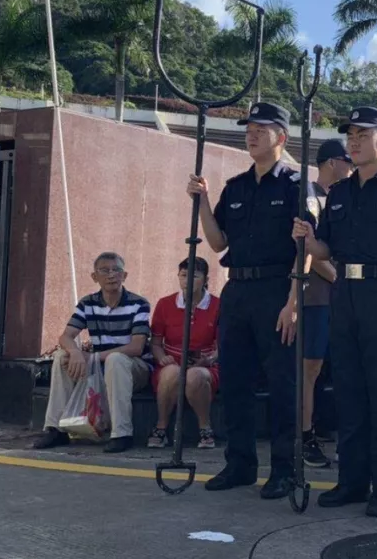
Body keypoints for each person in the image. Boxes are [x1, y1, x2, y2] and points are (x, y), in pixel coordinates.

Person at [293, 106, 377, 518]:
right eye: (350, 136)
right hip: (344, 294)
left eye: (362, 135)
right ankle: (351, 481)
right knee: (349, 391)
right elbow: (325, 250)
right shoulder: (340, 192)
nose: (353, 142)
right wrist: (307, 238)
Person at [185, 101, 312, 501]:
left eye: (261, 129)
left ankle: (285, 469)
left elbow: (305, 245)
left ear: (281, 137)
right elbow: (218, 242)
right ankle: (239, 464)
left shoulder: (296, 184)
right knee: (236, 380)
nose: (252, 135)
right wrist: (202, 202)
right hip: (237, 290)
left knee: (281, 383)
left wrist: (293, 301)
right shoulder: (236, 186)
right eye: (249, 129)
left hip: (277, 289)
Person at [34, 252, 152, 454]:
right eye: (104, 270)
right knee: (62, 357)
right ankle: (55, 429)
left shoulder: (138, 304)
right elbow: (66, 336)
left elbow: (136, 347)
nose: (111, 275)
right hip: (99, 366)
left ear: (124, 276)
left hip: (134, 368)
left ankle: (122, 434)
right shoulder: (87, 303)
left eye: (116, 270)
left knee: (116, 360)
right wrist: (75, 352)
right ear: (94, 277)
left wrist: (93, 357)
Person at [300, 139, 353, 467]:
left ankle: (319, 427)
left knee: (331, 369)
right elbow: (310, 249)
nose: (351, 167)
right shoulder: (310, 196)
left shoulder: (342, 197)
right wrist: (339, 280)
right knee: (310, 368)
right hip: (316, 297)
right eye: (347, 161)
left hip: (338, 299)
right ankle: (304, 437)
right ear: (333, 162)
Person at [146, 257, 221, 450]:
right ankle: (161, 426)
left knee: (196, 376)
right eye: (183, 275)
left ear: (205, 279)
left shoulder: (218, 305)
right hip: (172, 361)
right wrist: (162, 357)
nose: (187, 281)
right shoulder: (165, 304)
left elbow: (223, 346)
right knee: (171, 373)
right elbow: (156, 343)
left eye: (194, 276)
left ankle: (205, 428)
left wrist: (209, 359)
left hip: (205, 364)